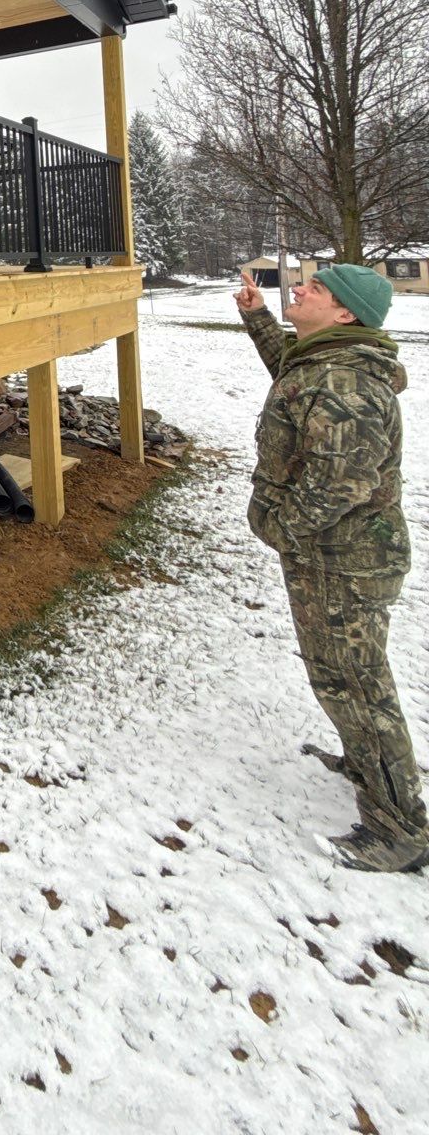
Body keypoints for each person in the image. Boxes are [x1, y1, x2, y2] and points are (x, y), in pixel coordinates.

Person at [234, 262, 427, 872]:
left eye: (316, 289)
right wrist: (258, 317)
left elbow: (339, 483)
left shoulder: (345, 381)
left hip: (343, 561)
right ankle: (368, 761)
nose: (301, 289)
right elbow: (293, 377)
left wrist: (274, 525)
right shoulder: (323, 363)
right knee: (347, 679)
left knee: (355, 685)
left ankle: (400, 829)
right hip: (330, 555)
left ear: (345, 313)